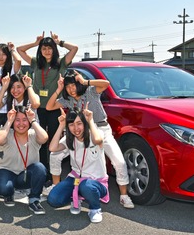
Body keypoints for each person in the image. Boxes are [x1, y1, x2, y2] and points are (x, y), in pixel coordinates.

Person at [45, 70, 134, 208]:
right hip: (78, 131)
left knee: (119, 161)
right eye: (68, 86)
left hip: (100, 128)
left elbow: (106, 84)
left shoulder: (90, 92)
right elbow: (49, 106)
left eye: (73, 85)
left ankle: (124, 195)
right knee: (54, 155)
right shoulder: (67, 100)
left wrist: (85, 81)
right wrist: (59, 89)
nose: (71, 89)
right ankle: (56, 186)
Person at [17, 32, 78, 177]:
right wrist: (34, 43)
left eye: (50, 48)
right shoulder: (36, 63)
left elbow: (74, 48)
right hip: (38, 109)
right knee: (40, 141)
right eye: (44, 48)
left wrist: (59, 42)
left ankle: (53, 173)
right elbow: (19, 50)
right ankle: (42, 171)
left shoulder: (61, 63)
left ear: (54, 49)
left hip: (54, 108)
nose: (47, 51)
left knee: (53, 140)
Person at [46, 108, 109, 223]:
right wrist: (61, 126)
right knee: (53, 199)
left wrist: (90, 120)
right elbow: (52, 148)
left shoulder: (95, 134)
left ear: (85, 123)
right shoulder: (70, 139)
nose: (76, 128)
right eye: (71, 125)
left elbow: (98, 140)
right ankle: (77, 196)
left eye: (79, 123)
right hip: (75, 179)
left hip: (95, 182)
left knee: (87, 186)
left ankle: (95, 208)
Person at [0, 106, 48, 214]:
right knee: (4, 188)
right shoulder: (7, 133)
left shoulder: (33, 134)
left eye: (24, 120)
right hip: (6, 172)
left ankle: (34, 199)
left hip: (25, 175)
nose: (21, 124)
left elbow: (44, 138)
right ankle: (9, 194)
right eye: (17, 120)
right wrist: (9, 120)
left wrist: (33, 120)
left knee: (40, 168)